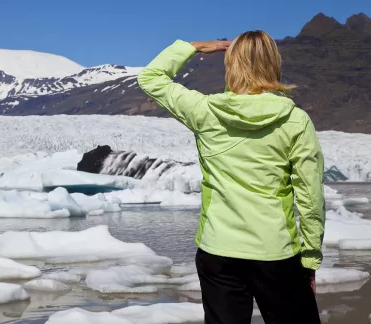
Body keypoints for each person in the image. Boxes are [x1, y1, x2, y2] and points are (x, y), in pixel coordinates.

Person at [138, 31, 325, 324]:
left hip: (218, 252)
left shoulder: (205, 111)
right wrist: (310, 258)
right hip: (275, 252)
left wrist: (192, 48)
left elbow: (150, 78)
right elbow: (310, 196)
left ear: (232, 64)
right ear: (273, 63)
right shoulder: (295, 120)